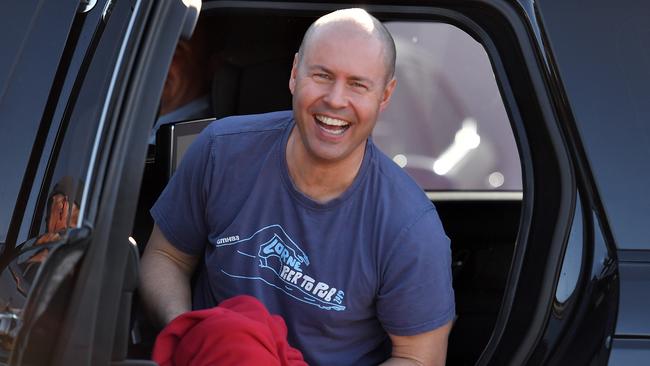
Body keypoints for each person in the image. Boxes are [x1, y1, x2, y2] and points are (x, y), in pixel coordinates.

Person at [140, 8, 455, 366]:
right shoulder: (220, 151)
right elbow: (165, 257)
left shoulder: (409, 227)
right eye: (322, 75)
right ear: (294, 74)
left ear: (384, 96)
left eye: (357, 84)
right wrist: (194, 335)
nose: (335, 99)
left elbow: (418, 358)